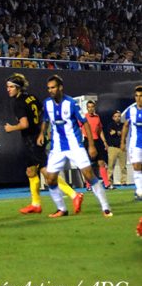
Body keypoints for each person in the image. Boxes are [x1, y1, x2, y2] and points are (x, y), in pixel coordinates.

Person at [4, 73, 83, 214]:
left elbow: (24, 124)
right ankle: (35, 204)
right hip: (36, 137)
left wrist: (11, 128)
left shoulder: (18, 103)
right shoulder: (32, 97)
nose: (8, 90)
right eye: (7, 87)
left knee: (46, 172)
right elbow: (42, 113)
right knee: (30, 171)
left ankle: (74, 195)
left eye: (11, 87)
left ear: (18, 88)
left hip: (32, 140)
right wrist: (43, 131)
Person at [38, 75, 112, 218]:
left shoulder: (71, 103)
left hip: (75, 145)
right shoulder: (47, 103)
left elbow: (84, 123)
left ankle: (105, 207)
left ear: (60, 87)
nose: (50, 90)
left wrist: (91, 145)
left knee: (89, 175)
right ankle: (62, 209)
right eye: (48, 88)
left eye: (53, 87)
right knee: (50, 179)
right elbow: (46, 120)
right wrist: (42, 133)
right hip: (57, 147)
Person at [82, 100, 112, 190]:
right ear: (87, 108)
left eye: (92, 107)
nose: (91, 109)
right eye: (89, 107)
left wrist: (104, 142)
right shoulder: (84, 117)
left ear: (94, 107)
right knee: (88, 165)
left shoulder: (97, 117)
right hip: (88, 141)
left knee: (101, 162)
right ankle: (88, 185)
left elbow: (100, 130)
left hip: (97, 141)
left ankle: (106, 184)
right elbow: (79, 128)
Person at [121, 86, 142, 200]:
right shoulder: (131, 110)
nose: (138, 99)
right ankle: (139, 191)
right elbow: (126, 125)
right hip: (135, 144)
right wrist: (123, 142)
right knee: (136, 166)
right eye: (136, 96)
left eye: (141, 96)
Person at [106, 110, 127, 187]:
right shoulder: (110, 125)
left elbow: (125, 133)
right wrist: (119, 132)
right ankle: (110, 182)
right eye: (115, 116)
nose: (117, 118)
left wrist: (119, 132)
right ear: (113, 117)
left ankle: (123, 181)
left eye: (119, 116)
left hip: (122, 147)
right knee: (111, 166)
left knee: (123, 166)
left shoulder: (123, 125)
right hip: (113, 148)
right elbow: (112, 132)